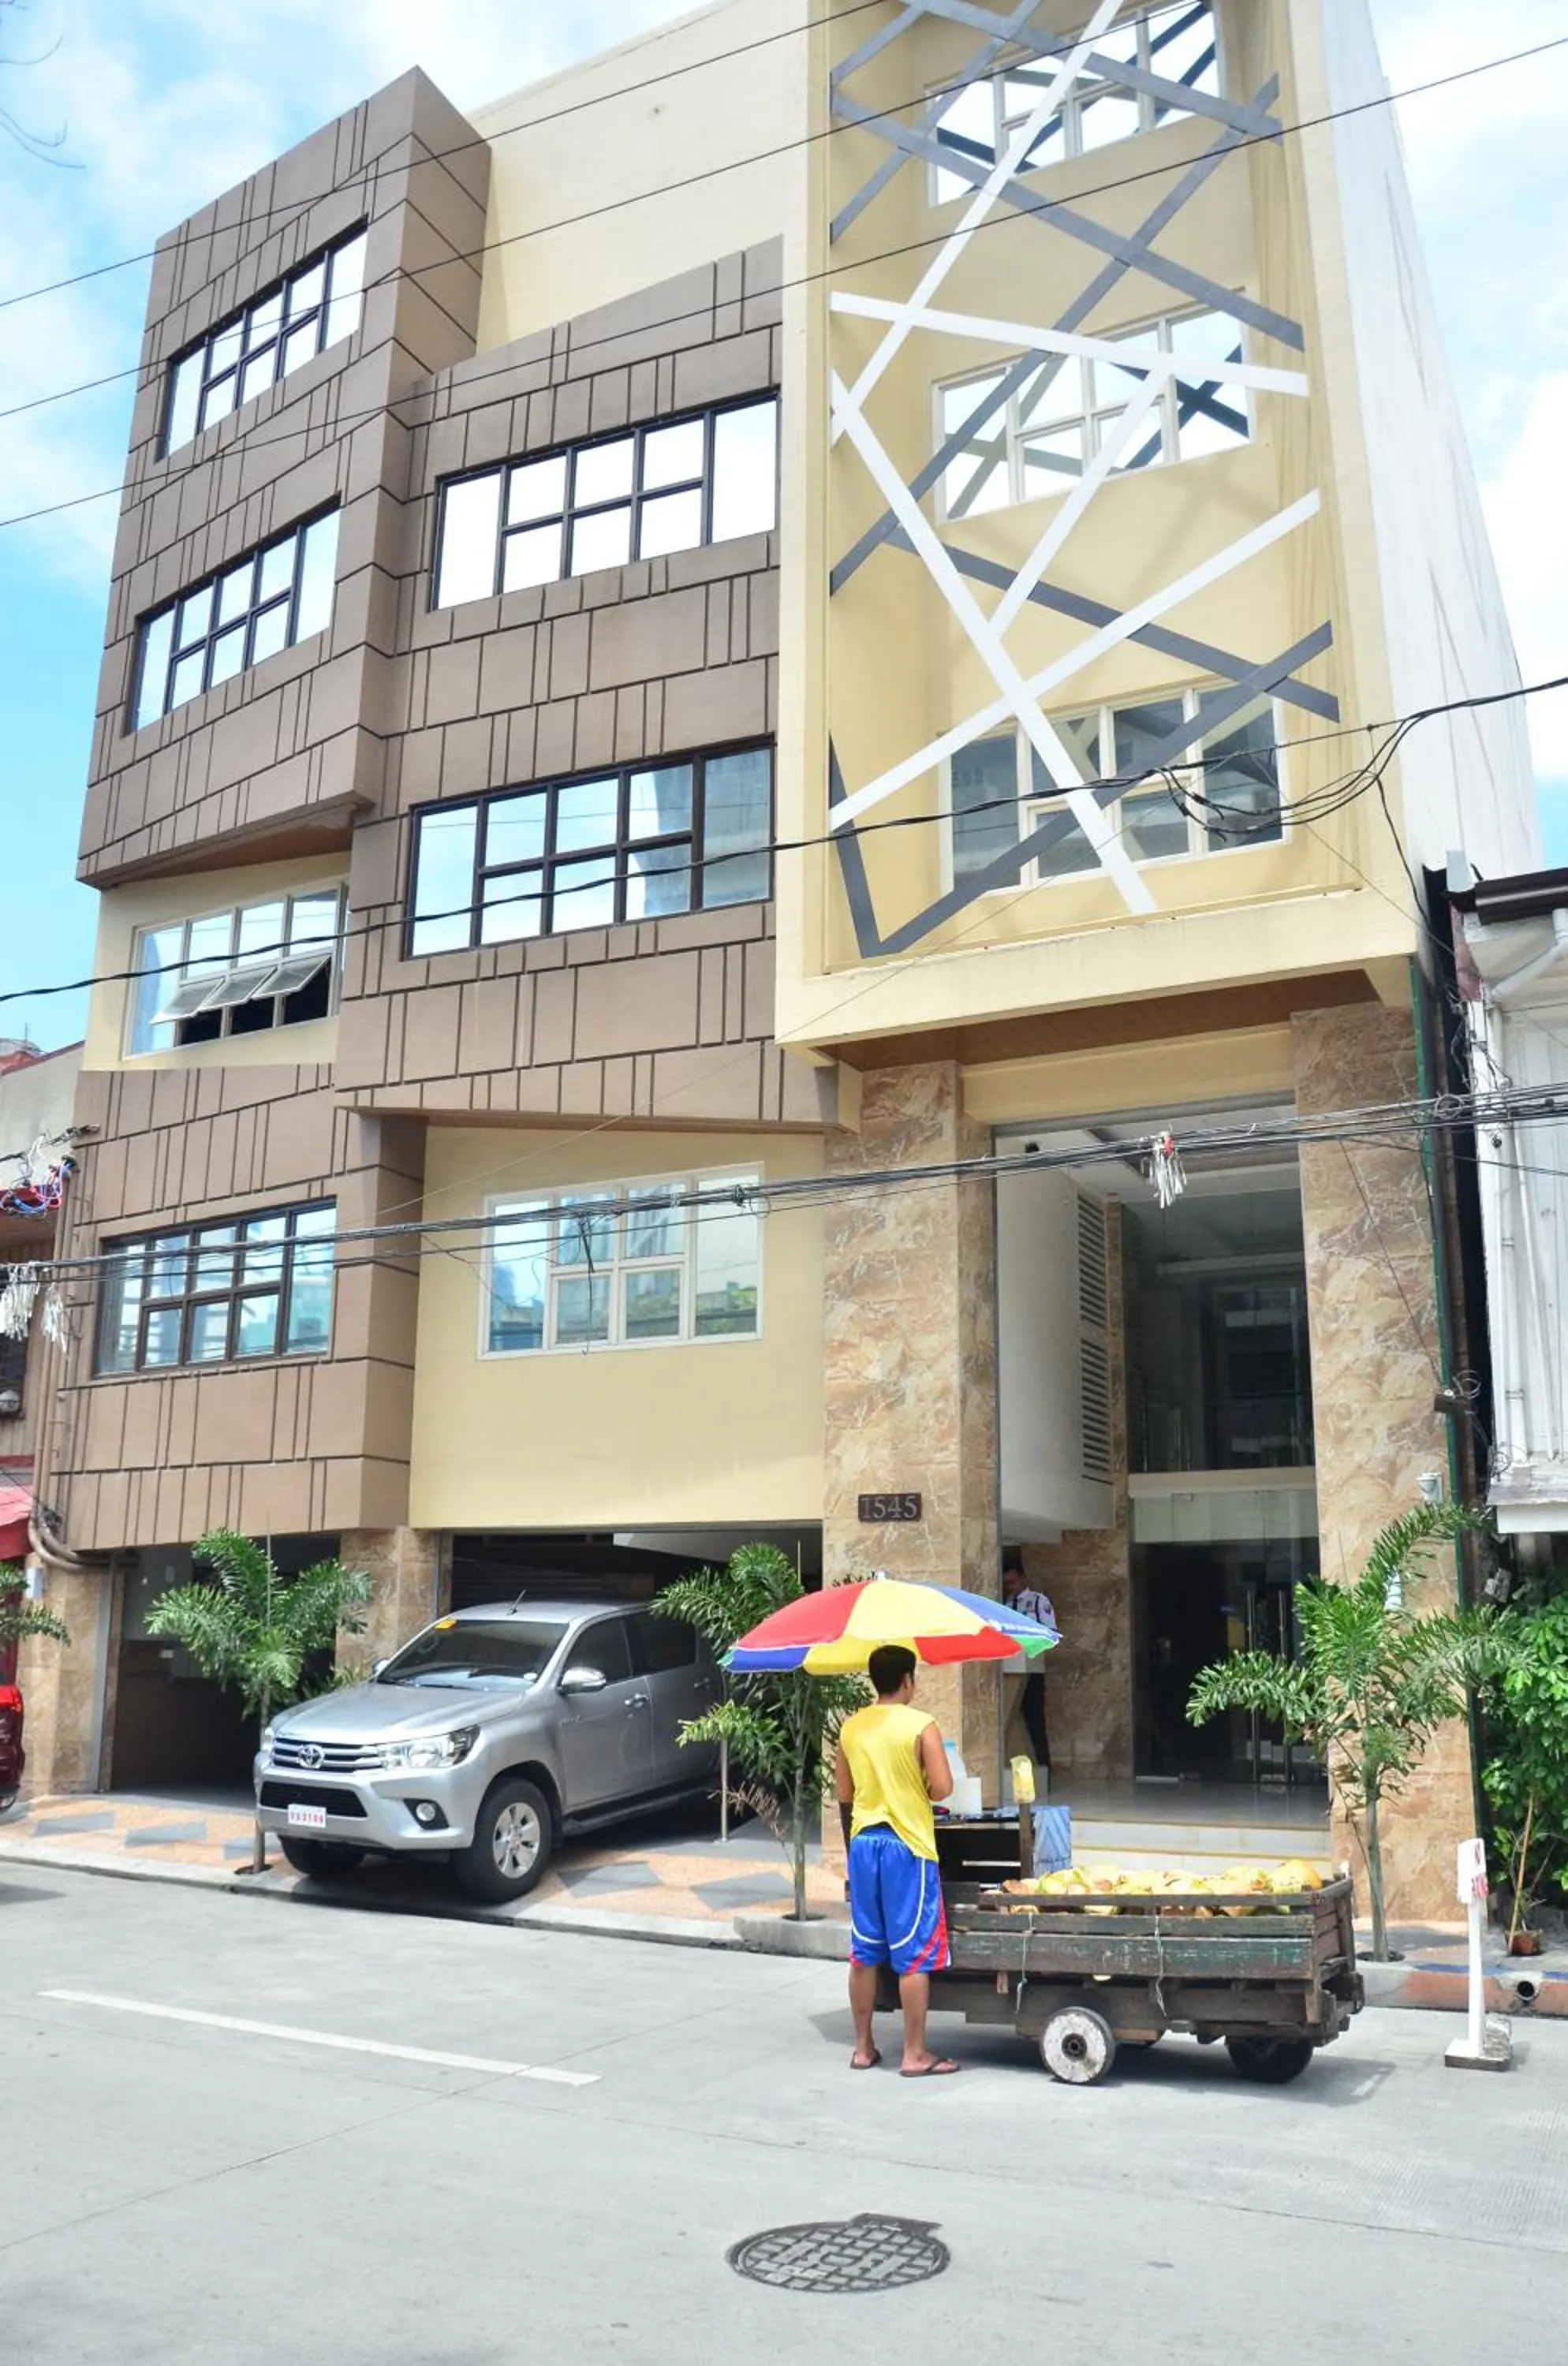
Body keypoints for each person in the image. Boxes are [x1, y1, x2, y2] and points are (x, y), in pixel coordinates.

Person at [834, 1644, 960, 2078]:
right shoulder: (921, 1725)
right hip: (907, 1845)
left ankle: (863, 2049)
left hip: (864, 1844)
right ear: (908, 1680)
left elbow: (845, 1793)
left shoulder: (851, 1727)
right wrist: (917, 1781)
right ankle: (914, 2053)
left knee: (864, 1950)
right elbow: (943, 1787)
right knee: (913, 1952)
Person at [1002, 1549, 1054, 1773]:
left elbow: (1050, 1634)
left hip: (1031, 1670)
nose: (1010, 1587)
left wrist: (1029, 1642)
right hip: (1010, 1669)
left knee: (1035, 1721)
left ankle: (1043, 1769)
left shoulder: (1039, 1602)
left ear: (1023, 1579)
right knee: (1014, 1721)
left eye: (1013, 1582)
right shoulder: (1005, 1604)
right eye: (1007, 1584)